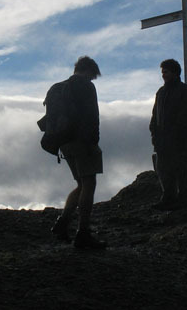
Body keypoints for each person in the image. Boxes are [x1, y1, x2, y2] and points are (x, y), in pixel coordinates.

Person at [50, 56, 106, 249]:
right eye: (92, 76)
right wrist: (93, 142)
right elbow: (92, 116)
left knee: (81, 183)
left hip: (64, 143)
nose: (92, 80)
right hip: (82, 142)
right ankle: (83, 233)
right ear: (88, 71)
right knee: (89, 183)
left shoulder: (58, 87)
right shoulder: (86, 86)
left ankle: (63, 223)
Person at [149, 59, 187, 211]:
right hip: (162, 140)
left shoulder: (184, 91)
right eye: (163, 72)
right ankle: (167, 197)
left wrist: (180, 133)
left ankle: (182, 199)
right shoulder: (161, 92)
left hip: (179, 140)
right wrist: (154, 133)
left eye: (166, 72)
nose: (164, 75)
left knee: (179, 169)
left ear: (175, 73)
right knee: (163, 169)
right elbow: (154, 115)